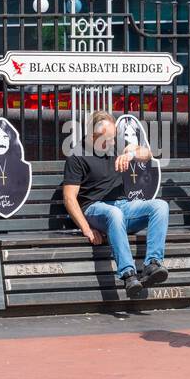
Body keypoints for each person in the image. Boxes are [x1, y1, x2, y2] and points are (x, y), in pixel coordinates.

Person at [61, 110, 170, 299]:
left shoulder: (117, 145)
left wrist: (132, 153)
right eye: (108, 139)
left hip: (122, 206)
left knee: (160, 206)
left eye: (114, 138)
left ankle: (153, 263)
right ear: (94, 135)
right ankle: (128, 275)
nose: (112, 142)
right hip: (94, 208)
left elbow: (148, 154)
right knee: (114, 214)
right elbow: (69, 198)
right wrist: (86, 229)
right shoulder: (77, 156)